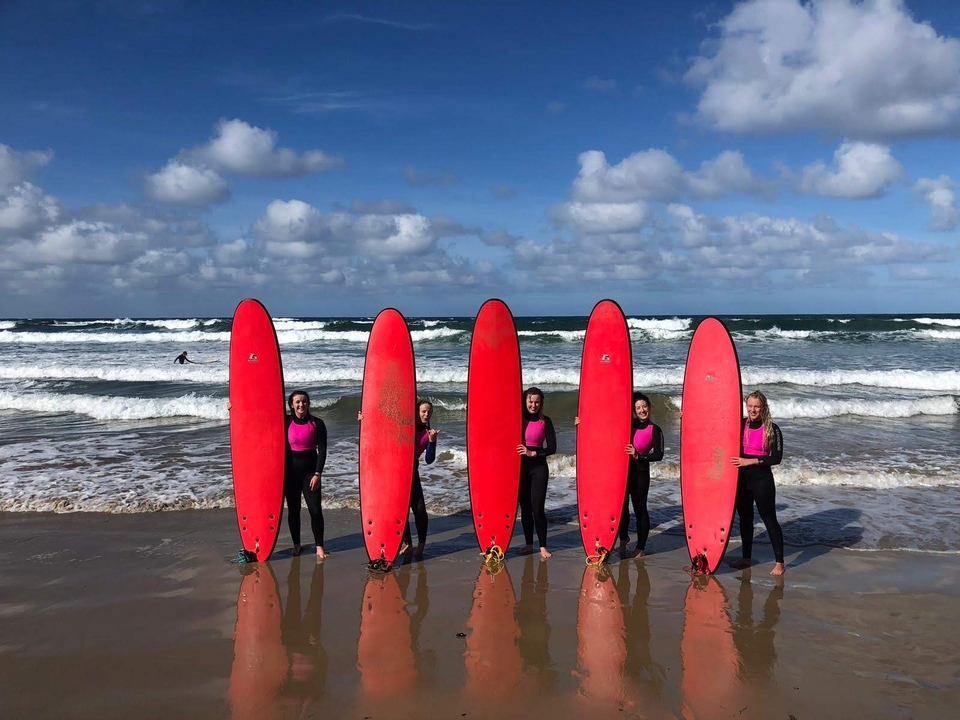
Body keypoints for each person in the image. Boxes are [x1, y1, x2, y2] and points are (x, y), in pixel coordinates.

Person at [730, 390, 785, 575]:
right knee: (745, 519)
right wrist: (687, 417)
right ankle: (746, 557)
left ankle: (779, 562)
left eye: (757, 407)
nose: (753, 410)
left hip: (762, 480)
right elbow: (715, 427)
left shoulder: (772, 428)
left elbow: (776, 458)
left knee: (769, 519)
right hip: (742, 480)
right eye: (750, 406)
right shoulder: (740, 425)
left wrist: (750, 461)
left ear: (763, 408)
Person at [284, 390, 328, 559]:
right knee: (293, 511)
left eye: (304, 401)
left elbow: (322, 451)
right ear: (291, 405)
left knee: (315, 510)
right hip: (291, 474)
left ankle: (319, 547)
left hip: (310, 473)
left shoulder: (317, 423)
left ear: (308, 404)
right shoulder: (285, 421)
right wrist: (233, 410)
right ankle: (297, 544)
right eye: (297, 402)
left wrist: (318, 474)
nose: (301, 405)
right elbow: (259, 416)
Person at [620, 392, 664, 556]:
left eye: (644, 406)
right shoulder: (628, 423)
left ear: (649, 407)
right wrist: (582, 422)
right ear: (634, 410)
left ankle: (641, 548)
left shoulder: (655, 429)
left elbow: (659, 454)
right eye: (638, 407)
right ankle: (623, 538)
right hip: (623, 472)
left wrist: (639, 456)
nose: (642, 410)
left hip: (640, 473)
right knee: (622, 509)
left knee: (640, 509)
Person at [517, 387, 556, 559]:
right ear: (525, 402)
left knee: (537, 508)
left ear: (541, 403)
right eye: (530, 401)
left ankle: (542, 546)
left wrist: (534, 453)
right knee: (525, 507)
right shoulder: (518, 419)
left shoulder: (545, 421)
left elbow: (552, 447)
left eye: (537, 402)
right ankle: (528, 544)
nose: (533, 405)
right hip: (521, 468)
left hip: (539, 467)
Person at [402, 399, 438, 560]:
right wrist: (364, 419)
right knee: (401, 511)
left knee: (420, 511)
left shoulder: (428, 433)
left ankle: (421, 546)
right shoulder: (405, 426)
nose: (426, 414)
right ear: (416, 412)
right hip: (398, 472)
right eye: (423, 411)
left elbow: (429, 460)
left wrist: (432, 441)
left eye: (429, 411)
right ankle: (407, 543)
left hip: (412, 471)